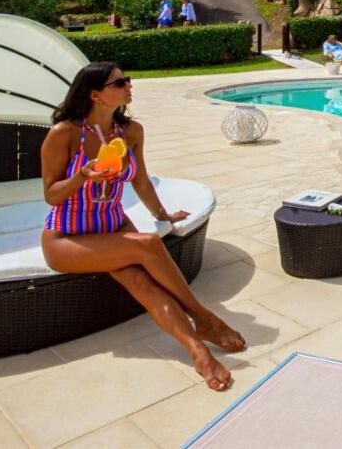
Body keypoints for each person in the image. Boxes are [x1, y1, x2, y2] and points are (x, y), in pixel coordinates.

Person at [40, 62, 245, 392]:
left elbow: (141, 181)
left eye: (128, 80)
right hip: (67, 237)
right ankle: (203, 317)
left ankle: (198, 351)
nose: (129, 86)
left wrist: (163, 215)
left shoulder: (131, 131)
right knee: (148, 244)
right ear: (95, 95)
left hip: (112, 225)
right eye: (120, 83)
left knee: (143, 283)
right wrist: (82, 175)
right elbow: (51, 195)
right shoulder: (64, 133)